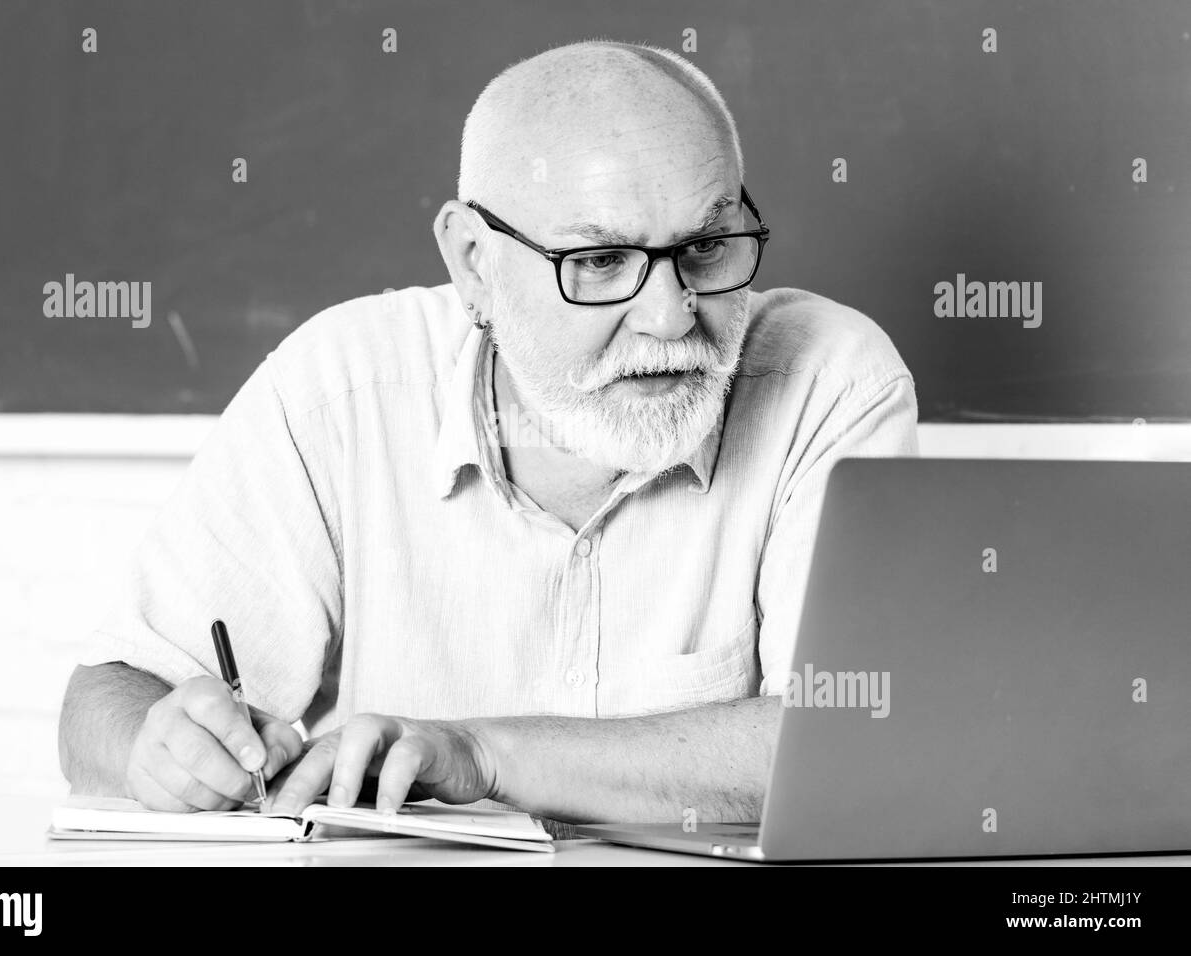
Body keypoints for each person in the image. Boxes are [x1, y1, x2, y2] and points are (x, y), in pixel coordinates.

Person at [58, 39, 917, 826]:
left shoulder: (828, 383)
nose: (670, 315)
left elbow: (852, 734)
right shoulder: (340, 389)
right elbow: (105, 701)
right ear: (473, 262)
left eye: (707, 246)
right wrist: (156, 746)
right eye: (600, 262)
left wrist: (481, 754)